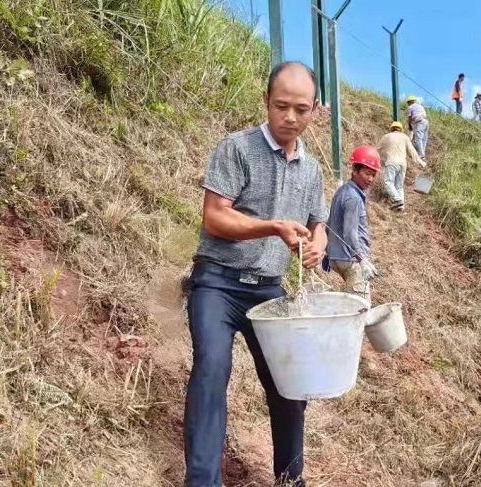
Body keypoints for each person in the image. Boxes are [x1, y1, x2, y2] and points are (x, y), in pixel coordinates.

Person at [184, 61, 328, 487]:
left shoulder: (313, 169)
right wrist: (272, 225)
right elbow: (214, 219)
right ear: (265, 101)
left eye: (301, 110)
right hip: (218, 284)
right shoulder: (237, 149)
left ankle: (290, 479)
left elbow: (317, 220)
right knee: (212, 370)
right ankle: (203, 481)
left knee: (290, 385)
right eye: (281, 106)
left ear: (315, 110)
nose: (289, 117)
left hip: (269, 293)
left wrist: (318, 243)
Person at [325, 146, 380, 305]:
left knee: (353, 305)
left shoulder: (343, 190)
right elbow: (349, 233)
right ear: (355, 170)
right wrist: (362, 259)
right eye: (367, 173)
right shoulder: (353, 198)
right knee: (360, 309)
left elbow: (331, 222)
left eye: (373, 175)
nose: (370, 179)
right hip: (350, 259)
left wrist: (327, 251)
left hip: (337, 256)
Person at [377, 121, 425, 212]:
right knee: (399, 186)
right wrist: (421, 162)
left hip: (391, 162)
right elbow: (413, 152)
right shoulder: (405, 137)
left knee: (387, 182)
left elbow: (377, 149)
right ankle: (401, 207)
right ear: (401, 129)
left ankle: (397, 200)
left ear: (391, 128)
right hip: (403, 164)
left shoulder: (387, 136)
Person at [405, 95, 429, 162]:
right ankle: (423, 155)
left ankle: (421, 155)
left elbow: (409, 118)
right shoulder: (420, 106)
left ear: (409, 102)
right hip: (426, 122)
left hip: (420, 122)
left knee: (418, 138)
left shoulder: (410, 107)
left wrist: (409, 125)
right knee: (424, 139)